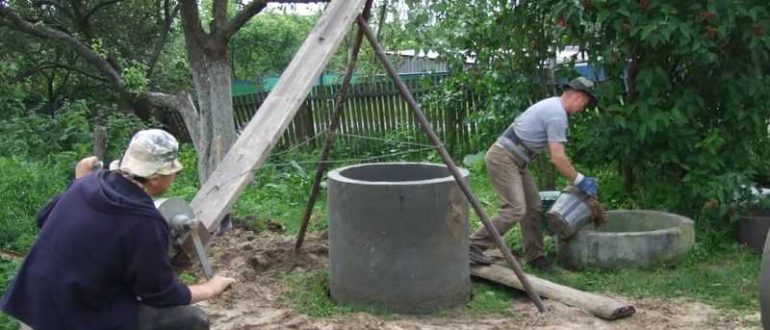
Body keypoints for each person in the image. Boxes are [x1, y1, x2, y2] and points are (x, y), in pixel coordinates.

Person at [1, 129, 235, 330]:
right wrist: (210, 288)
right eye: (172, 171)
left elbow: (44, 218)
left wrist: (78, 181)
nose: (174, 175)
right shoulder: (145, 222)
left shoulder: (87, 184)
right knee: (192, 320)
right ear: (155, 177)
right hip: (73, 318)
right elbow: (162, 295)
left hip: (32, 303)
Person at [468, 77, 599, 271]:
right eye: (585, 105)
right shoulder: (557, 115)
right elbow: (557, 159)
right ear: (579, 98)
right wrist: (580, 180)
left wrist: (572, 172)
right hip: (504, 158)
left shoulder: (552, 106)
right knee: (515, 209)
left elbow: (555, 152)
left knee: (533, 207)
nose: (582, 109)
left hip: (516, 159)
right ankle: (472, 246)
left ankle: (535, 257)